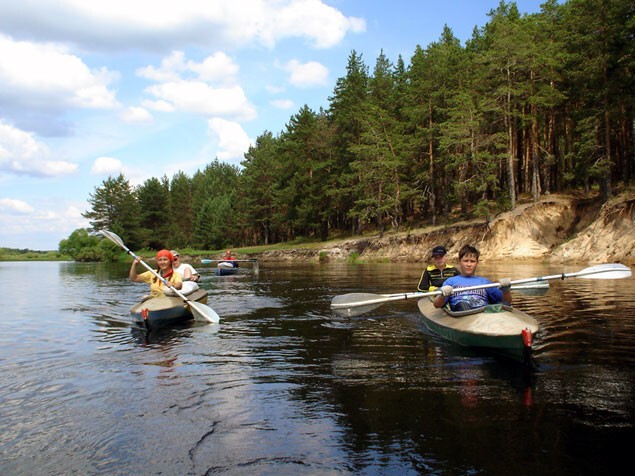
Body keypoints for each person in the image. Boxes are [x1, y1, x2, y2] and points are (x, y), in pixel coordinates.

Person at [433, 244, 512, 312]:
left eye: (472, 261)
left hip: (482, 314)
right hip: (462, 313)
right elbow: (437, 305)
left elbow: (506, 303)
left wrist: (506, 291)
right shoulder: (450, 282)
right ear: (459, 262)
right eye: (466, 261)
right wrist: (442, 296)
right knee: (462, 305)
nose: (469, 264)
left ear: (477, 263)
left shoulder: (485, 282)